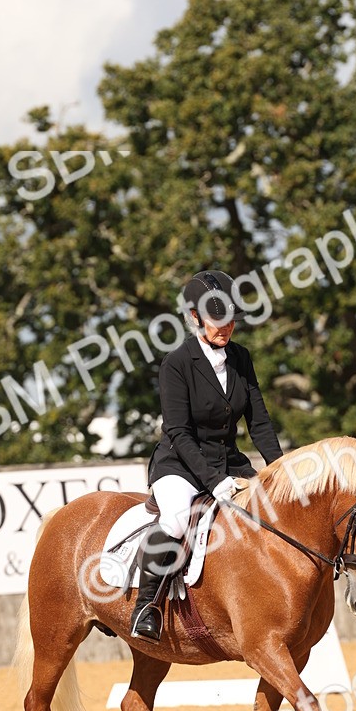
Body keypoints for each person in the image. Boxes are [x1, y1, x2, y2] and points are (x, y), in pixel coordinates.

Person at [131, 269, 283, 640]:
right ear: (195, 317)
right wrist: (214, 481)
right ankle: (146, 607)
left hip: (229, 461)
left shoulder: (241, 359)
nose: (225, 327)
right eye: (216, 319)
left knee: (276, 510)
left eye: (231, 319)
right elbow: (179, 433)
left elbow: (258, 421)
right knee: (177, 520)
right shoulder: (176, 364)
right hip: (179, 464)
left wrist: (280, 471)